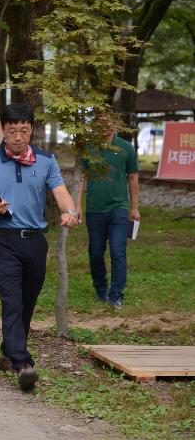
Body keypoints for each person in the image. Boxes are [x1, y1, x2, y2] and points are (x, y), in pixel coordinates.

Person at [0, 103, 79, 391]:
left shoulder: (46, 161)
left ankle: (8, 352)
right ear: (3, 131)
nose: (18, 137)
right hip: (3, 240)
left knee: (27, 303)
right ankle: (23, 363)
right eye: (12, 131)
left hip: (35, 242)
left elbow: (59, 191)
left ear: (31, 129)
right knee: (12, 300)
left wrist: (70, 211)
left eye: (23, 131)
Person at [76, 116, 140, 308]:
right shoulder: (88, 149)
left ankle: (116, 295)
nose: (103, 126)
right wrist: (77, 205)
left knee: (117, 251)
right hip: (94, 209)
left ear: (115, 123)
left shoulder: (126, 148)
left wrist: (134, 208)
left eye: (108, 121)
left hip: (118, 208)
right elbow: (81, 178)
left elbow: (133, 178)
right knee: (95, 252)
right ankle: (100, 290)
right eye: (99, 122)